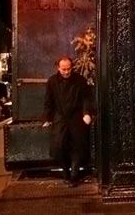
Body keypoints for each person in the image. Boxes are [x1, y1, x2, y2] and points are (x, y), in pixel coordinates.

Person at [42, 56, 93, 187]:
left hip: (76, 117)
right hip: (60, 117)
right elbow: (48, 101)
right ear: (58, 68)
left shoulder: (80, 81)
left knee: (77, 147)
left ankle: (73, 177)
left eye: (69, 69)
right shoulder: (52, 81)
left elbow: (86, 98)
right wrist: (47, 118)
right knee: (58, 147)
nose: (66, 72)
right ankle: (66, 173)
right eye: (64, 69)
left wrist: (86, 113)